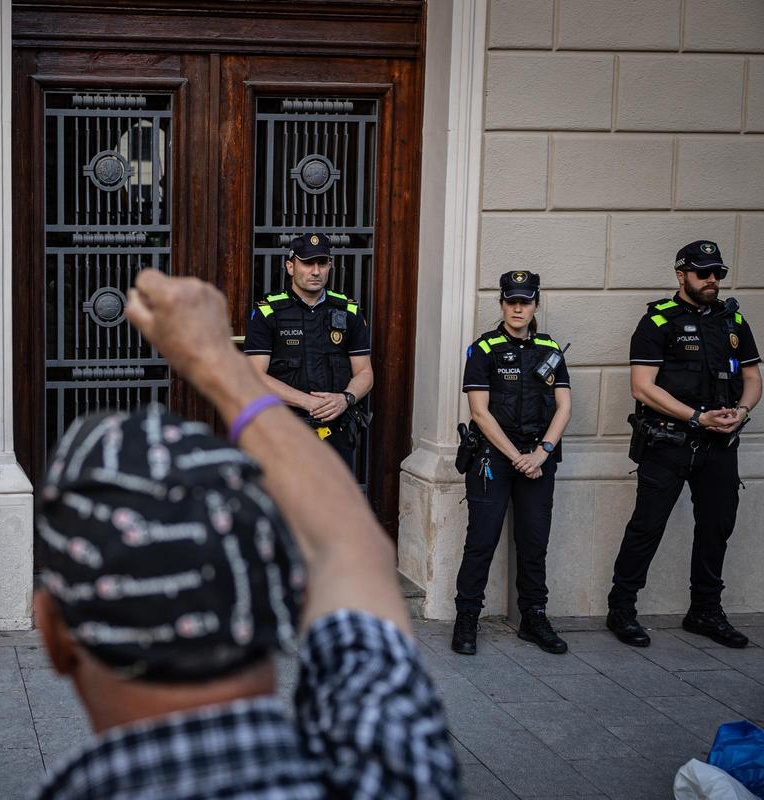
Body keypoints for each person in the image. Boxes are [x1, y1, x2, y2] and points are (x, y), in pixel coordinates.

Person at [32, 270, 458, 799]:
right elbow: (351, 543)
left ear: (51, 635)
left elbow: (349, 549)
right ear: (280, 593)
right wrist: (216, 361)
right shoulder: (391, 763)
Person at [606, 240, 760, 649]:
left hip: (720, 444)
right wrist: (695, 417)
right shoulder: (658, 322)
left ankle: (705, 611)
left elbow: (752, 377)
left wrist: (741, 412)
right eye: (703, 273)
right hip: (668, 443)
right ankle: (622, 609)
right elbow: (642, 387)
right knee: (646, 528)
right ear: (681, 275)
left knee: (716, 528)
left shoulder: (733, 321)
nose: (712, 281)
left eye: (718, 273)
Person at [451, 271, 572, 656]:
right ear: (501, 303)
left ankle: (534, 617)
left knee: (534, 543)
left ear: (536, 304)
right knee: (481, 542)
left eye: (525, 301)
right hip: (494, 458)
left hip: (538, 459)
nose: (518, 308)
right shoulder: (484, 350)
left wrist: (543, 452)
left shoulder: (550, 350)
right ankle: (466, 619)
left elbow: (565, 405)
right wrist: (518, 457)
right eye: (511, 301)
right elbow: (480, 413)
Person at [243, 233, 373, 467]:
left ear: (330, 266)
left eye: (322, 263)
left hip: (337, 430)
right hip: (284, 429)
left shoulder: (349, 311)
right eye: (307, 263)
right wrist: (307, 402)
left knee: (333, 500)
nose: (315, 271)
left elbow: (365, 373)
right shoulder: (268, 312)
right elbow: (254, 377)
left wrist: (345, 399)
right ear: (290, 266)